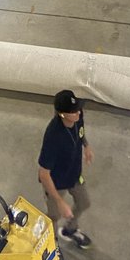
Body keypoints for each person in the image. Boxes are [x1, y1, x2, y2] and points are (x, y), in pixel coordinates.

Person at [37, 90, 94, 250]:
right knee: (53, 215)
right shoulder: (53, 136)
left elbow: (81, 133)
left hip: (74, 175)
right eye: (73, 111)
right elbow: (44, 173)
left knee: (84, 202)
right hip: (56, 182)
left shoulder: (78, 116)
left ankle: (70, 230)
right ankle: (52, 245)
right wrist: (60, 201)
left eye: (78, 109)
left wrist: (86, 146)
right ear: (62, 114)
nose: (78, 113)